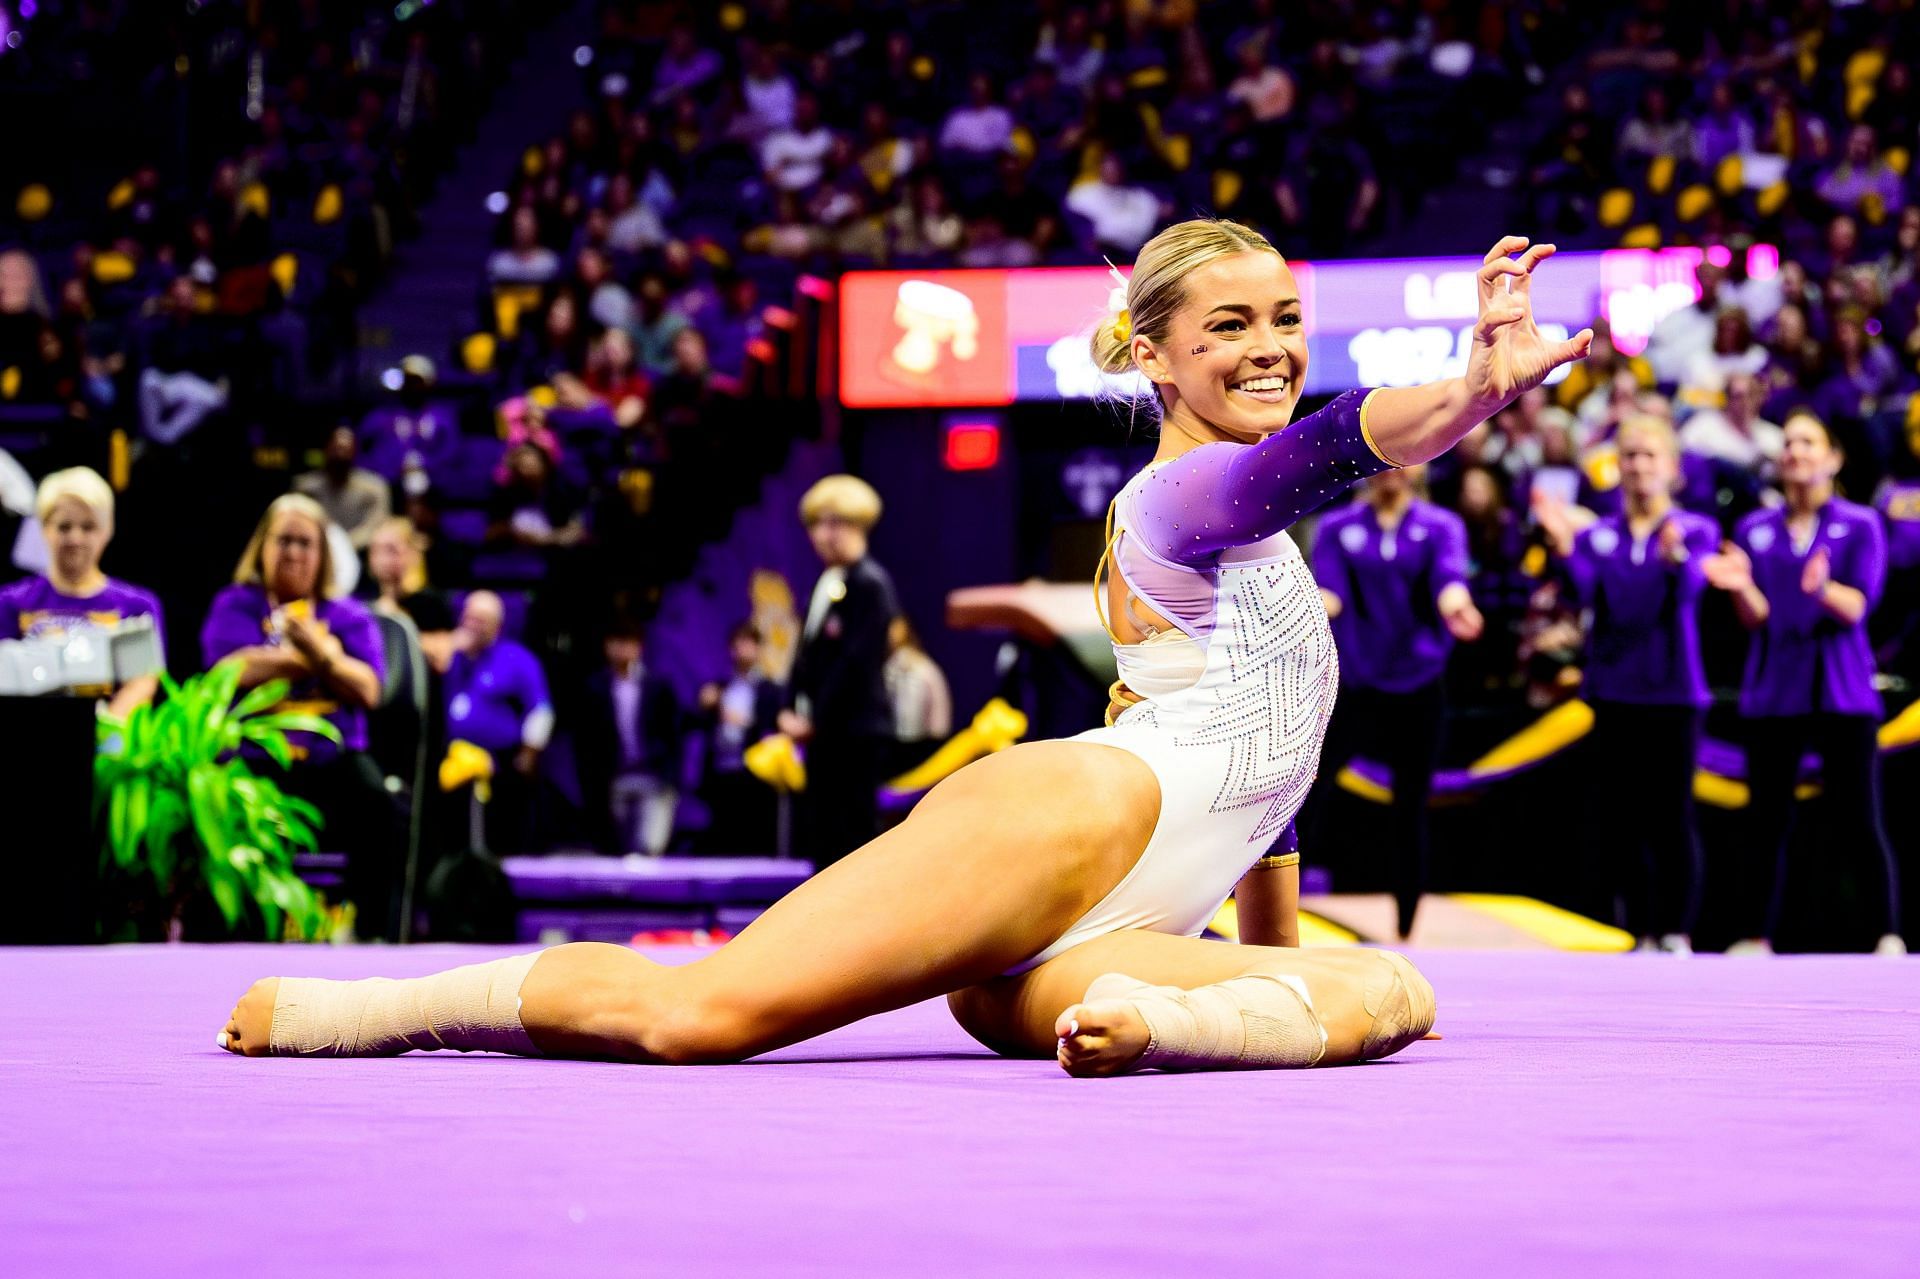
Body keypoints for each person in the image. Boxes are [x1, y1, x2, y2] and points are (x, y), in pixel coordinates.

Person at [217, 221, 1588, 1077]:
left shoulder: (1274, 563)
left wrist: (1276, 972)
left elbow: (1274, 816)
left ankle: (1161, 1029)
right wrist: (1475, 386)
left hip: (1102, 945)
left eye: (1286, 318)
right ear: (1157, 357)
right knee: (703, 1020)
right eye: (1228, 324)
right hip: (1067, 827)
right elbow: (1322, 455)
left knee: (1389, 987)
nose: (1270, 345)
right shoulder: (1179, 498)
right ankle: (369, 1011)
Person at [1702, 411, 1905, 956]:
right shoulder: (1754, 529)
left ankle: (1884, 934)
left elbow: (1858, 606)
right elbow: (1757, 618)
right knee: (1765, 820)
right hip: (1774, 690)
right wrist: (1742, 587)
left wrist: (1822, 590)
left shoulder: (1860, 524)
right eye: (1789, 442)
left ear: (1833, 458)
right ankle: (1754, 935)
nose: (1795, 451)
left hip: (1843, 691)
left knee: (1860, 817)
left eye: (1808, 442)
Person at [1536, 417, 1716, 953]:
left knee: (1672, 814)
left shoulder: (1694, 530)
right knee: (1622, 817)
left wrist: (1675, 560)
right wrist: (1565, 546)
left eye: (1649, 456)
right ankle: (1637, 929)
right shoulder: (1600, 534)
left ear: (1672, 469)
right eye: (1630, 455)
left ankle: (1676, 930)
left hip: (1675, 690)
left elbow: (1689, 595)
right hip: (1614, 689)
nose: (1638, 465)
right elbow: (1591, 597)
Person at [200, 494, 398, 940]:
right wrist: (319, 656)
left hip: (332, 763)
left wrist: (311, 654)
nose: (293, 552)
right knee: (214, 801)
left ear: (322, 554)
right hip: (255, 761)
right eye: (284, 540)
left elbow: (369, 689)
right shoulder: (235, 605)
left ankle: (372, 938)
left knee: (378, 803)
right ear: (262, 547)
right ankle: (228, 937)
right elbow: (226, 672)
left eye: (305, 543)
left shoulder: (348, 614)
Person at [1304, 464, 1482, 939]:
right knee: (1309, 791)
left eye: (1405, 459)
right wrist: (1311, 611)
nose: (1393, 470)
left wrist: (1457, 605)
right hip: (1358, 683)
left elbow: (1449, 579)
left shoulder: (1441, 526)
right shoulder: (1337, 528)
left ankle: (1406, 928)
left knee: (1410, 807)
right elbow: (1330, 589)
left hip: (1419, 683)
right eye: (1383, 460)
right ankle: (1289, 900)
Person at [780, 475, 900, 869]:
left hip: (854, 733)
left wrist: (814, 720)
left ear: (855, 525)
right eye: (816, 525)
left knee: (852, 837)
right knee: (824, 836)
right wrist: (788, 707)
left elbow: (854, 663)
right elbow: (806, 656)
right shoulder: (828, 582)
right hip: (826, 736)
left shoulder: (871, 585)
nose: (820, 535)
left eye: (830, 523)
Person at [0, 468, 164, 717]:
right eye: (64, 527)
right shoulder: (11, 601)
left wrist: (102, 733)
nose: (75, 538)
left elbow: (142, 682)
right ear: (44, 528)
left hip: (107, 741)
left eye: (88, 527)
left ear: (107, 530)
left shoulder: (137, 606)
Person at [443, 590, 553, 855]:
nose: (471, 625)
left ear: (498, 626)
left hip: (501, 766)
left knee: (502, 840)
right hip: (453, 763)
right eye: (468, 618)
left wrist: (529, 753)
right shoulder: (452, 655)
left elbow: (541, 711)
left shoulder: (516, 659)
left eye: (480, 620)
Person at [579, 618, 684, 857]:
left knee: (649, 846)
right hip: (614, 779)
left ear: (639, 647)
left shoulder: (658, 687)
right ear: (606, 647)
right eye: (616, 643)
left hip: (654, 778)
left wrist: (671, 777)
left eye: (628, 643)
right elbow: (585, 743)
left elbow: (673, 735)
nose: (621, 649)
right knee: (618, 851)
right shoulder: (595, 688)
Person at [697, 621, 783, 855]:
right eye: (737, 644)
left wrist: (745, 722)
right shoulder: (719, 687)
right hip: (721, 771)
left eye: (748, 643)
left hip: (754, 773)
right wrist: (706, 706)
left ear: (757, 648)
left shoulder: (769, 689)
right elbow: (694, 724)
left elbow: (775, 728)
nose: (742, 649)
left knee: (752, 837)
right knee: (722, 837)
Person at [294, 426, 391, 552]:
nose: (340, 455)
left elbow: (377, 527)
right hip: (316, 550)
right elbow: (297, 524)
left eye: (346, 450)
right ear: (326, 450)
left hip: (361, 553)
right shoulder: (306, 488)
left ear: (355, 453)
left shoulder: (374, 488)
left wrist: (343, 545)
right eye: (336, 449)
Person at [884, 615, 953, 775]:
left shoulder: (924, 669)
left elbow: (939, 723)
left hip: (921, 749)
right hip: (896, 747)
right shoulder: (887, 667)